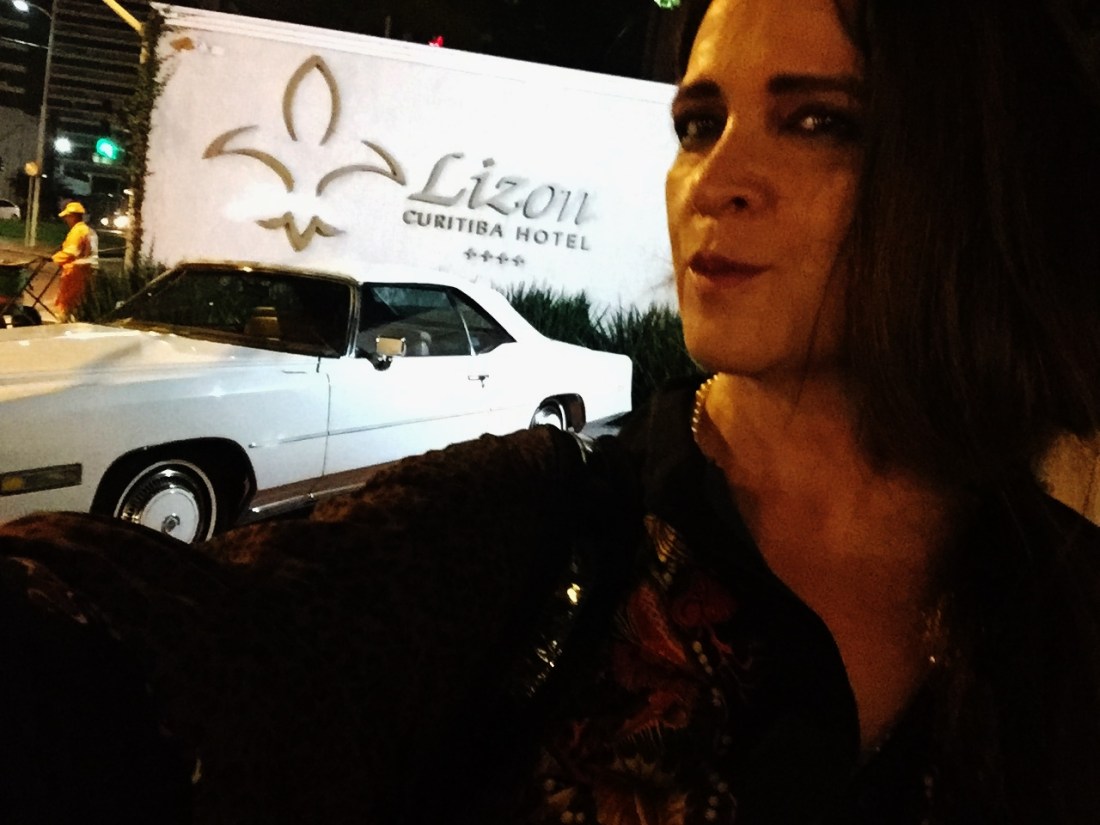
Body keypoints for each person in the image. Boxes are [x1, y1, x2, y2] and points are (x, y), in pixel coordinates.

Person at [2, 0, 1100, 822]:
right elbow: (181, 646)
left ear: (972, 171)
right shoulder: (537, 533)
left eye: (818, 120)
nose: (715, 179)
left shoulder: (1064, 602)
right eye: (699, 122)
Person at [51, 201, 98, 322]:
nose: (66, 220)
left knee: (67, 301)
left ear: (73, 216)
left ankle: (64, 323)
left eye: (67, 217)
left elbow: (71, 252)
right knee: (80, 300)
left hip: (75, 272)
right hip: (87, 270)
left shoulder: (77, 232)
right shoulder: (88, 231)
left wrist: (55, 258)